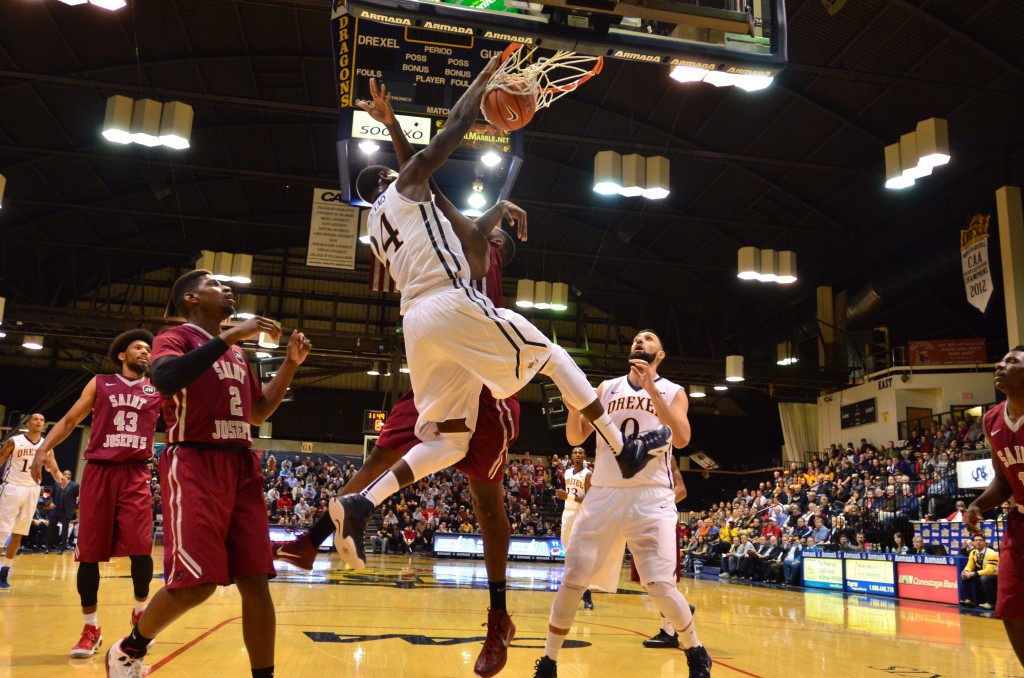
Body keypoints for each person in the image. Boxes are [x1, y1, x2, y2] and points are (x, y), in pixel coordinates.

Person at [331, 67, 671, 570]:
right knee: (553, 356)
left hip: (416, 324)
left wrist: (394, 126)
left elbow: (449, 212)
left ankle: (362, 502)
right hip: (449, 302)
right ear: (388, 179)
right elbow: (446, 136)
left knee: (449, 439)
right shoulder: (404, 187)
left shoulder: (377, 221)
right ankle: (622, 448)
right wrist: (484, 80)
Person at [270, 82, 524, 678]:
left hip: (482, 373)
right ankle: (313, 538)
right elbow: (425, 176)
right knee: (382, 454)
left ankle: (498, 619)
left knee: (487, 502)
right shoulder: (428, 223)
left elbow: (455, 212)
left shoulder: (469, 247)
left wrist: (496, 214)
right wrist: (391, 126)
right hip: (439, 363)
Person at [103, 269, 311, 678]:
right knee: (198, 583)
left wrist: (290, 365)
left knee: (256, 581)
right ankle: (128, 649)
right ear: (191, 300)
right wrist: (231, 336)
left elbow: (256, 412)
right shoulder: (176, 337)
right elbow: (163, 379)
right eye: (214, 285)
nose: (226, 288)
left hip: (241, 465)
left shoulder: (236, 354)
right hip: (195, 461)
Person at [532, 330, 711, 678]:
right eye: (637, 338)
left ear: (660, 354)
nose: (640, 340)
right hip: (604, 492)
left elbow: (684, 437)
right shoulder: (605, 388)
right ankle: (549, 662)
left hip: (652, 494)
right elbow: (575, 436)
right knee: (573, 578)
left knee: (659, 585)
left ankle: (695, 649)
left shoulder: (674, 391)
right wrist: (572, 409)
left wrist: (652, 389)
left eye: (649, 338)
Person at [30, 329, 162, 657]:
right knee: (88, 553)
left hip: (135, 473)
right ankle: (91, 627)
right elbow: (72, 418)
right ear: (122, 355)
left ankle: (141, 612)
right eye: (138, 348)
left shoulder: (158, 388)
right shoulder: (101, 383)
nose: (145, 352)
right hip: (100, 472)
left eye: (149, 349)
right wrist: (44, 448)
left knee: (141, 548)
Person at [964, 347, 1024, 665]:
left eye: (1012, 361)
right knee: (1010, 610)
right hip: (1019, 524)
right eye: (1001, 360)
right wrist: (977, 505)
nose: (1000, 364)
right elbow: (1003, 481)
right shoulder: (992, 420)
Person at [0, 413, 62, 590]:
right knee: (2, 532)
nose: (39, 422)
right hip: (12, 487)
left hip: (33, 489)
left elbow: (53, 468)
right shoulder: (14, 441)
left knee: (18, 533)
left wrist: (60, 478)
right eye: (36, 419)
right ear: (28, 423)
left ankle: (5, 571)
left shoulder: (46, 446)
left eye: (42, 420)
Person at [555, 446, 594, 610]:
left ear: (585, 457)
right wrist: (564, 497)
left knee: (581, 555)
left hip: (581, 514)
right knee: (568, 552)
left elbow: (589, 500)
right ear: (571, 456)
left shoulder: (588, 474)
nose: (578, 455)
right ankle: (571, 591)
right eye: (575, 452)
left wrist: (568, 496)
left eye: (581, 453)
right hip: (567, 513)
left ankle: (587, 593)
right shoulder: (568, 472)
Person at [959, 534, 999, 609]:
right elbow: (970, 565)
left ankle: (992, 603)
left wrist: (972, 574)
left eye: (980, 540)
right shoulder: (973, 553)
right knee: (963, 576)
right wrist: (966, 571)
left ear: (984, 542)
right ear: (973, 543)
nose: (978, 542)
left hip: (996, 576)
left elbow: (989, 571)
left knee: (984, 578)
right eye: (976, 540)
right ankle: (969, 600)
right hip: (983, 575)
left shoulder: (991, 553)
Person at [45, 470, 78, 554]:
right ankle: (48, 547)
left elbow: (77, 498)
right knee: (51, 529)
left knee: (64, 531)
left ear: (70, 476)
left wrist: (75, 508)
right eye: (65, 474)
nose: (66, 475)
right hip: (55, 510)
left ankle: (62, 548)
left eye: (68, 474)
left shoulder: (74, 485)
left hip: (66, 511)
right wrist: (51, 502)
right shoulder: (56, 483)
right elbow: (51, 495)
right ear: (62, 475)